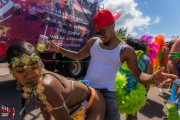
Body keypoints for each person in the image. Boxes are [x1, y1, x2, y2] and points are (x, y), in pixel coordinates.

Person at [48, 9, 177, 120]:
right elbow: (77, 56)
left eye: (102, 31)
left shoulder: (126, 50)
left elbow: (138, 75)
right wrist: (58, 49)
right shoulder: (93, 42)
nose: (100, 36)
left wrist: (152, 79)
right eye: (97, 32)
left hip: (108, 94)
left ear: (113, 25)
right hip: (86, 89)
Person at [6, 41, 106, 120]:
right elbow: (44, 102)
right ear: (11, 71)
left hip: (94, 103)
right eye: (20, 70)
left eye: (34, 67)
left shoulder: (47, 87)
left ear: (40, 64)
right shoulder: (37, 81)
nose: (29, 76)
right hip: (76, 105)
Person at [115, 38, 153, 120]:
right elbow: (148, 80)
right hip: (134, 92)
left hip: (117, 88)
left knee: (112, 112)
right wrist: (144, 94)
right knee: (132, 114)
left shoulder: (122, 53)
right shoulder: (146, 59)